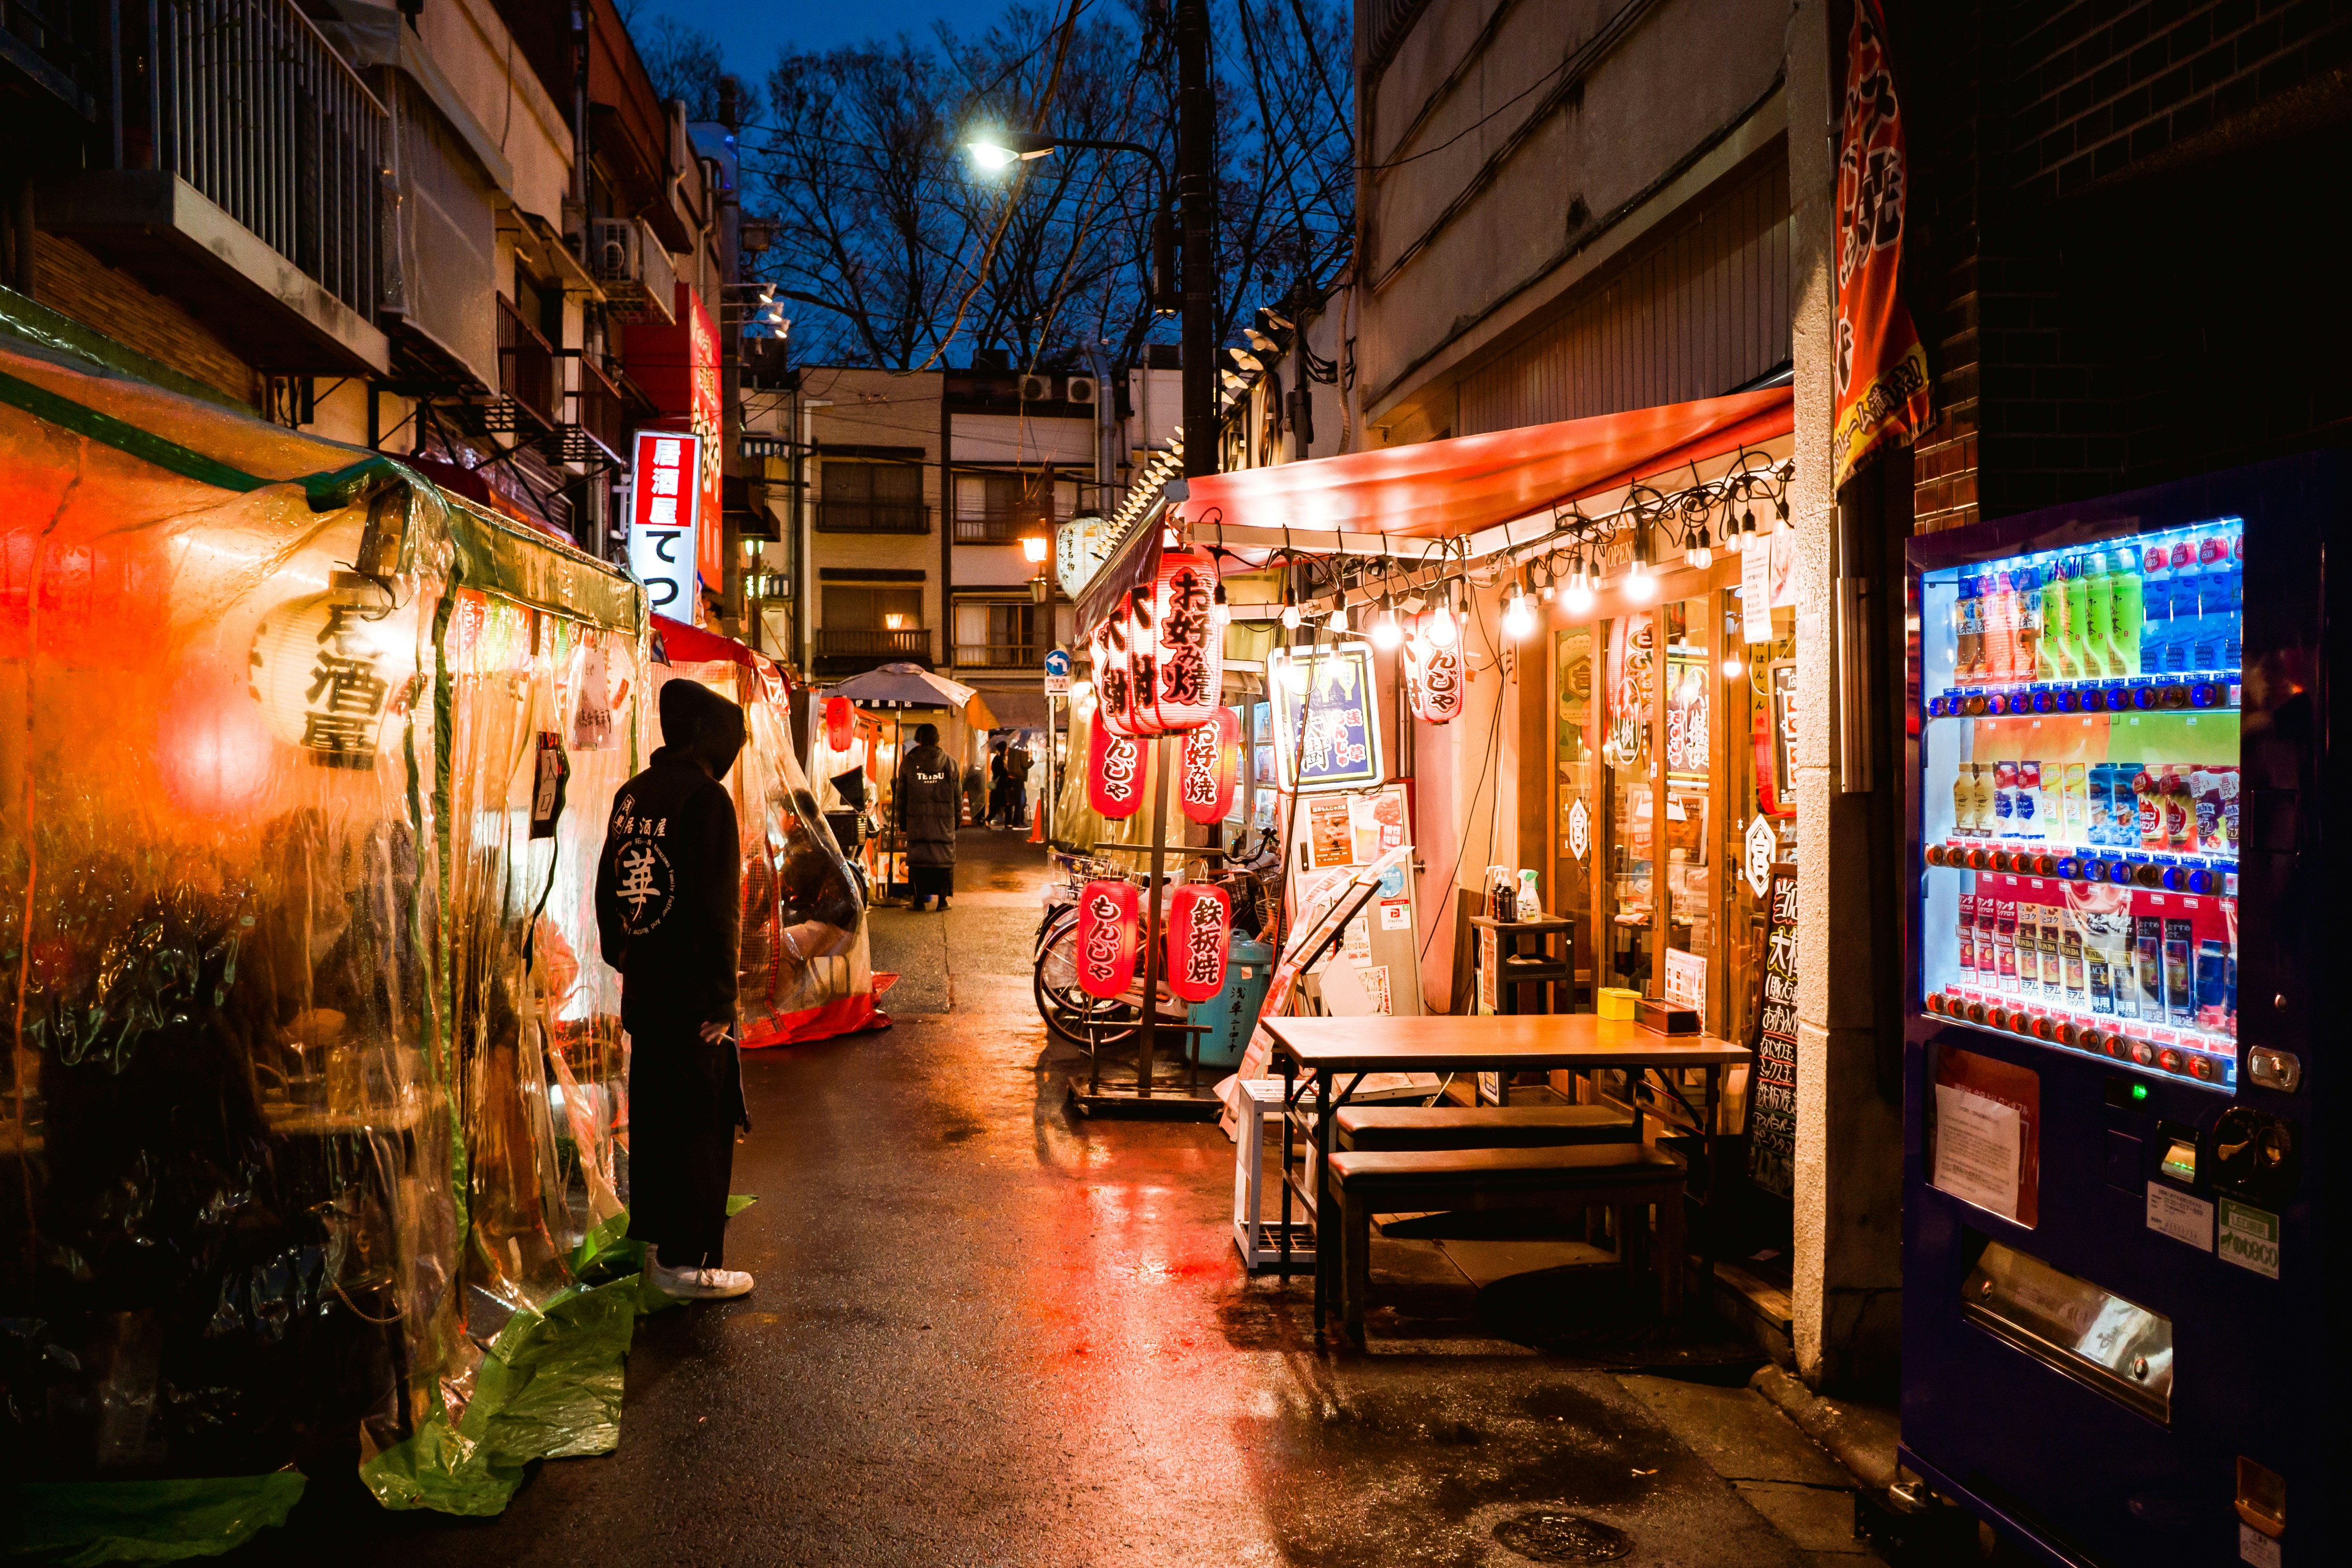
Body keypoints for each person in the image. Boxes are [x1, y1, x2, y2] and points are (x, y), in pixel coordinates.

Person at [595, 679, 754, 1300]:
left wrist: (628, 956)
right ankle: (687, 1262)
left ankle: (660, 1246)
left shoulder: (633, 794)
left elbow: (609, 891)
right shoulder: (706, 799)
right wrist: (721, 1001)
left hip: (647, 992)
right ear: (705, 738)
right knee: (699, 1122)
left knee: (656, 1117)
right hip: (693, 1001)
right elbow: (718, 912)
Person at [897, 721, 960, 911]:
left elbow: (901, 796)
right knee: (943, 860)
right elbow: (957, 795)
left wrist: (902, 822)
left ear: (918, 739)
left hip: (917, 822)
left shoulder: (909, 762)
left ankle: (918, 901)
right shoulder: (950, 763)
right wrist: (956, 821)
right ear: (937, 738)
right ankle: (942, 901)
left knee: (919, 861)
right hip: (944, 821)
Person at [1005, 737, 1033, 828]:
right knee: (1021, 801)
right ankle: (1017, 822)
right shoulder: (1023, 747)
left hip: (1012, 777)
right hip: (1019, 778)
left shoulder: (1013, 746)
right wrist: (1031, 761)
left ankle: (1018, 821)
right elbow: (1024, 764)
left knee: (1019, 800)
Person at [986, 740, 1010, 828]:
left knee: (1001, 805)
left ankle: (1007, 823)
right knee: (997, 806)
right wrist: (1005, 769)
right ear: (1003, 749)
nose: (1008, 749)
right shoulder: (998, 760)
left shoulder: (999, 759)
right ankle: (988, 820)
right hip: (999, 788)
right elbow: (999, 773)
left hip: (1000, 788)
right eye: (1006, 748)